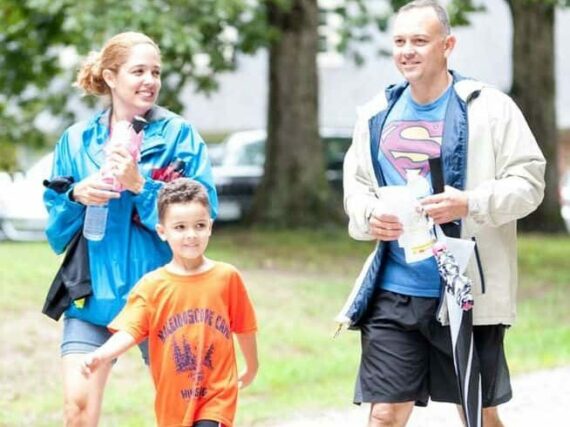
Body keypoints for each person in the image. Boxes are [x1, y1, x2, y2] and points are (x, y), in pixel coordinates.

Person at [336, 1, 546, 426]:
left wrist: (470, 202)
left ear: (447, 45)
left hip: (465, 292)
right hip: (395, 291)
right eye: (399, 41)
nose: (407, 51)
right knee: (384, 415)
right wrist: (369, 215)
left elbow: (530, 184)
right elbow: (356, 187)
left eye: (419, 40)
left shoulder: (489, 108)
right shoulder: (376, 113)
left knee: (478, 413)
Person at [43, 32, 219, 426]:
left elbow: (207, 210)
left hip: (164, 294)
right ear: (110, 76)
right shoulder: (76, 140)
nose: (150, 80)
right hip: (93, 294)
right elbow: (55, 234)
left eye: (155, 71)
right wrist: (76, 196)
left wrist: (142, 185)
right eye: (138, 71)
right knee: (78, 408)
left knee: (185, 412)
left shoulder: (179, 136)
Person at [80, 178, 258, 427]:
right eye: (180, 227)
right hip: (173, 401)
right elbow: (130, 331)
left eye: (199, 225)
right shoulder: (152, 286)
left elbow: (245, 327)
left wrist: (252, 366)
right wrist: (101, 354)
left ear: (210, 226)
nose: (191, 235)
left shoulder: (226, 277)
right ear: (162, 231)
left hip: (217, 395)